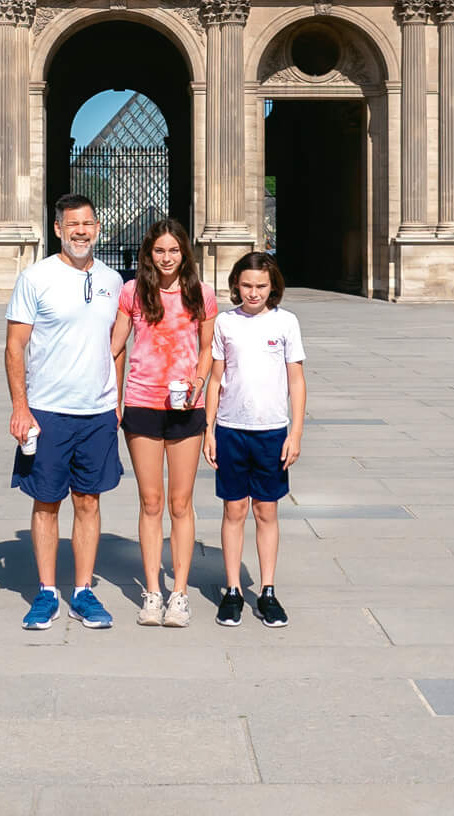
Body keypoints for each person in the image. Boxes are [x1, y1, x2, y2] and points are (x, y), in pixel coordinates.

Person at [5, 192, 122, 632]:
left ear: (97, 228)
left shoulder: (113, 281)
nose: (80, 231)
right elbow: (15, 346)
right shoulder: (35, 278)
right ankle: (47, 591)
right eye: (72, 224)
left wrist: (118, 400)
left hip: (96, 413)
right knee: (47, 501)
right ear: (57, 228)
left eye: (88, 223)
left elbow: (117, 345)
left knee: (89, 501)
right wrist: (21, 407)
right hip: (49, 410)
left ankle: (85, 590)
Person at [111, 217, 217, 629]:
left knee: (181, 502)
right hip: (141, 402)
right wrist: (113, 399)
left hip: (186, 406)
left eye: (174, 250)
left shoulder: (201, 293)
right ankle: (153, 590)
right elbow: (115, 346)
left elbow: (208, 348)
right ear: (148, 254)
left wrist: (199, 380)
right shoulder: (132, 292)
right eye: (160, 251)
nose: (167, 257)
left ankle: (181, 592)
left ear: (184, 252)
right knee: (151, 501)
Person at [204, 250, 305, 628]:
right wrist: (209, 429)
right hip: (231, 428)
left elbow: (296, 380)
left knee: (266, 510)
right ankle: (232, 589)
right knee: (234, 510)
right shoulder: (225, 324)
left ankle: (267, 590)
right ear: (235, 286)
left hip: (272, 430)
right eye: (246, 285)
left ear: (273, 286)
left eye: (261, 285)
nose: (253, 292)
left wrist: (295, 432)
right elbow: (216, 379)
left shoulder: (286, 323)